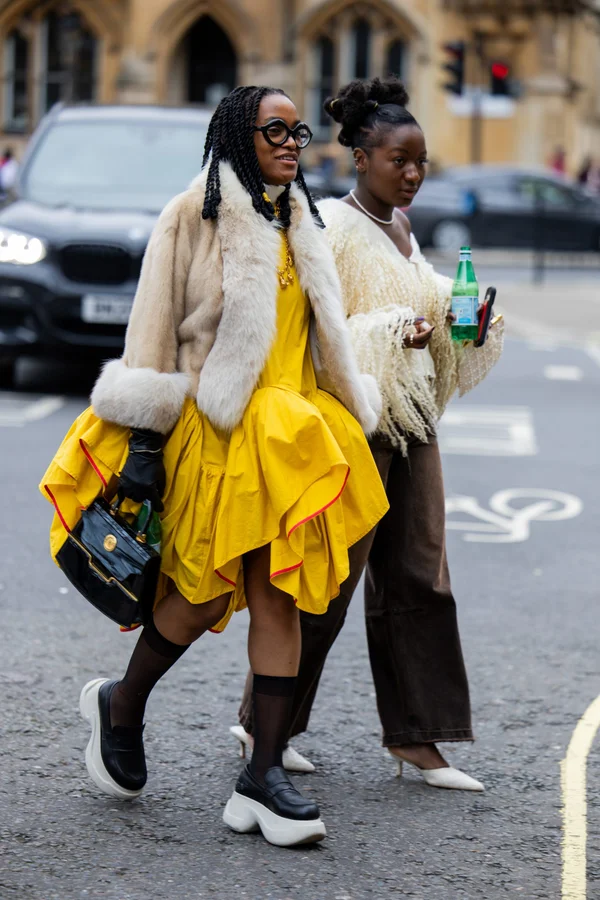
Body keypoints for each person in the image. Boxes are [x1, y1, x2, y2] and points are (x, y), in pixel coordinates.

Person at [40, 85, 389, 848]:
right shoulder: (190, 215)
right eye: (275, 129)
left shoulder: (305, 218)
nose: (293, 141)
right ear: (237, 133)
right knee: (199, 602)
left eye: (299, 130)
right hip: (220, 432)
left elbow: (319, 340)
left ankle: (261, 777)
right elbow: (150, 341)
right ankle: (122, 705)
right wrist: (139, 447)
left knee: (279, 597)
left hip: (293, 434)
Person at [233, 77, 504, 791]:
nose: (413, 175)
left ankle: (418, 739)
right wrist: (393, 331)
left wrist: (456, 319)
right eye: (398, 161)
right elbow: (323, 337)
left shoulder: (401, 227)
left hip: (410, 421)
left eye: (420, 162)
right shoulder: (336, 228)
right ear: (360, 157)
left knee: (420, 573)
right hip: (353, 426)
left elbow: (419, 299)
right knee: (326, 584)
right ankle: (267, 724)